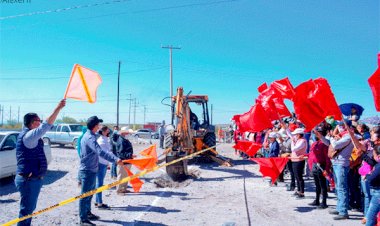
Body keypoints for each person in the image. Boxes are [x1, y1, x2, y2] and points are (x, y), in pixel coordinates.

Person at [15, 99, 66, 226]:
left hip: (31, 179)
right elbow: (46, 125)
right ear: (32, 123)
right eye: (38, 120)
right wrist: (58, 108)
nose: (40, 122)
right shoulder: (29, 136)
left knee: (29, 210)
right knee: (26, 211)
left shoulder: (29, 135)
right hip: (29, 179)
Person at [79, 116, 122, 226]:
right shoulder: (90, 138)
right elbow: (100, 152)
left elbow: (103, 135)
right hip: (87, 170)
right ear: (95, 126)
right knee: (85, 196)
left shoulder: (93, 135)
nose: (100, 126)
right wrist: (115, 160)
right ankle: (83, 219)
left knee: (89, 194)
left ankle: (87, 213)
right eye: (98, 125)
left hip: (92, 169)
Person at [321, 119, 354, 220]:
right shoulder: (341, 135)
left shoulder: (348, 135)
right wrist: (321, 136)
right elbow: (329, 143)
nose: (339, 127)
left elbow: (335, 145)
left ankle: (344, 211)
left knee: (342, 188)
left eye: (341, 125)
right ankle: (340, 207)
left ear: (346, 126)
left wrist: (331, 137)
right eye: (339, 125)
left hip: (342, 164)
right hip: (336, 163)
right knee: (338, 187)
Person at [310, 126, 331, 209]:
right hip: (315, 165)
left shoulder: (325, 144)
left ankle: (324, 202)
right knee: (317, 184)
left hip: (321, 165)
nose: (315, 134)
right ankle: (317, 200)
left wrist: (327, 168)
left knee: (323, 185)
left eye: (317, 133)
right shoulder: (315, 143)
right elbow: (312, 154)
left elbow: (327, 157)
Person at [286, 127, 307, 198]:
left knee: (299, 176)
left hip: (299, 161)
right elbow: (289, 134)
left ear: (298, 135)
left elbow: (294, 149)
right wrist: (284, 125)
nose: (294, 136)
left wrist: (292, 141)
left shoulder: (302, 141)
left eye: (296, 134)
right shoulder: (298, 140)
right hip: (295, 160)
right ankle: (298, 190)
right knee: (296, 176)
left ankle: (301, 192)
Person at [95, 125, 112, 209]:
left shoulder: (105, 139)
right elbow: (106, 153)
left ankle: (97, 201)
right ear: (103, 132)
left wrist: (108, 164)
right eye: (107, 131)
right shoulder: (101, 141)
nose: (108, 132)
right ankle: (100, 203)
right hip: (100, 164)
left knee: (99, 183)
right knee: (99, 184)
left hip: (104, 163)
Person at [112, 130, 134, 195]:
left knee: (126, 175)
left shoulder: (124, 140)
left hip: (127, 161)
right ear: (123, 133)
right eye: (127, 132)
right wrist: (130, 155)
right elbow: (121, 153)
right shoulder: (121, 141)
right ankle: (119, 190)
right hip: (123, 161)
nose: (128, 133)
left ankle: (123, 189)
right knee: (121, 176)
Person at [364, 146, 380, 226]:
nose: (373, 157)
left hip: (378, 193)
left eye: (374, 155)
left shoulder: (379, 166)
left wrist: (367, 176)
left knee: (370, 216)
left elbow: (372, 178)